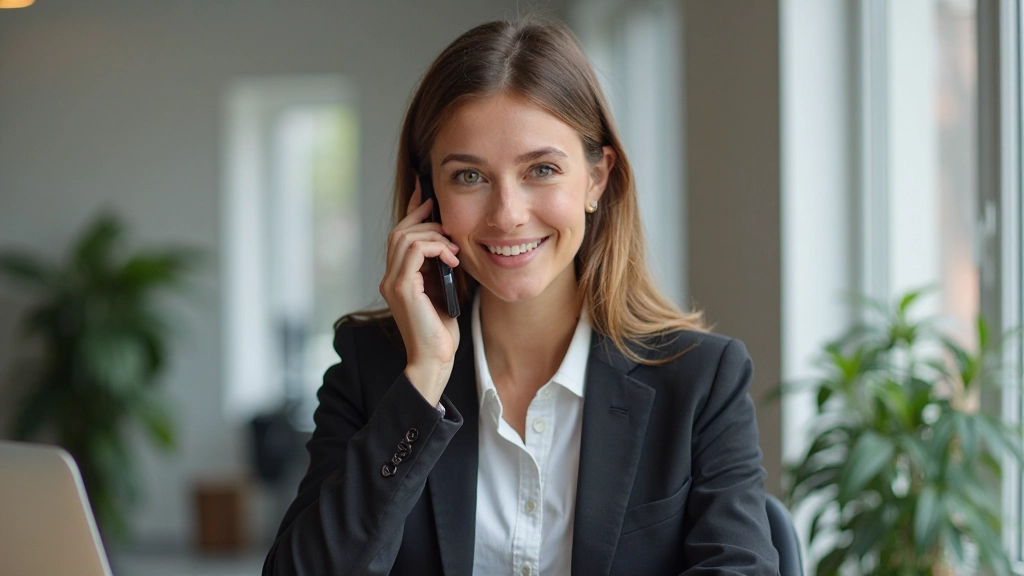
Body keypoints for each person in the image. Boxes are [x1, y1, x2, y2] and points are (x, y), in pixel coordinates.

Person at [263, 18, 780, 576]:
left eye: (542, 169)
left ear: (596, 178)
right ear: (427, 196)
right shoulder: (375, 370)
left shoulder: (701, 380)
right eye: (469, 177)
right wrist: (425, 378)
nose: (507, 214)